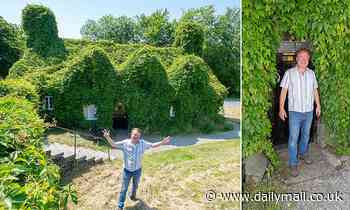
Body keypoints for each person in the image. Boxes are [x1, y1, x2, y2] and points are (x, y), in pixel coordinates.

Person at [102, 128, 171, 210]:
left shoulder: (143, 143)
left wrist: (162, 142)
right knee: (124, 189)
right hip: (127, 171)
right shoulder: (125, 143)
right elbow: (114, 144)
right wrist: (107, 137)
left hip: (137, 170)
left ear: (140, 136)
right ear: (131, 135)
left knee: (135, 185)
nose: (135, 136)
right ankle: (120, 206)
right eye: (134, 134)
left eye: (137, 135)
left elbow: (152, 145)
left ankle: (133, 196)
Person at [279, 48, 321, 177]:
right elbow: (284, 91)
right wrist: (281, 108)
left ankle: (303, 153)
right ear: (296, 59)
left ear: (308, 60)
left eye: (306, 58)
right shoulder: (289, 73)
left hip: (309, 111)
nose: (304, 60)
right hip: (295, 112)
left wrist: (318, 105)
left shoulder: (311, 74)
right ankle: (293, 163)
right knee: (293, 138)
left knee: (306, 136)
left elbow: (315, 90)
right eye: (301, 57)